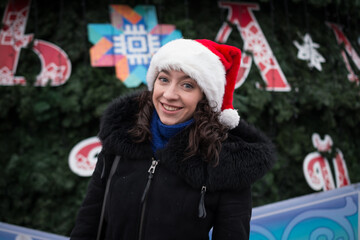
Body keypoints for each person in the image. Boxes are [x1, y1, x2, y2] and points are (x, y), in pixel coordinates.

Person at [70, 39, 276, 240]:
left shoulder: (225, 160)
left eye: (187, 85)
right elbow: (90, 218)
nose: (169, 95)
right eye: (164, 79)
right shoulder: (122, 136)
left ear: (204, 97)